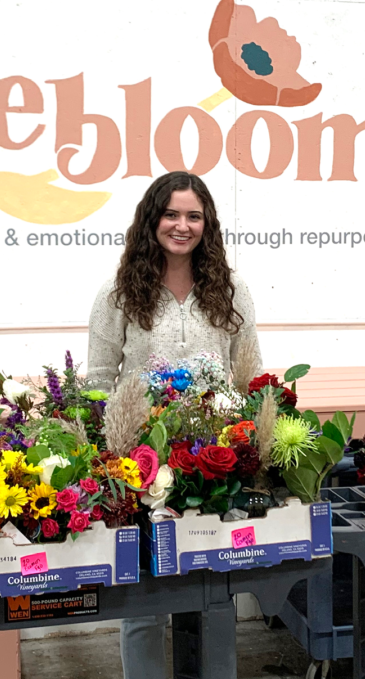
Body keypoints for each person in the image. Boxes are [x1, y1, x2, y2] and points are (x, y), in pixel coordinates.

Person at [86, 170, 261, 678]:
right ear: (151, 220)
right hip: (143, 465)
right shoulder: (118, 293)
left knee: (215, 591)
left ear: (207, 224)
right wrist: (111, 456)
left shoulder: (231, 290)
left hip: (215, 460)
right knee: (144, 599)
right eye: (171, 214)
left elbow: (249, 372)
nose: (181, 225)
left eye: (193, 216)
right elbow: (98, 382)